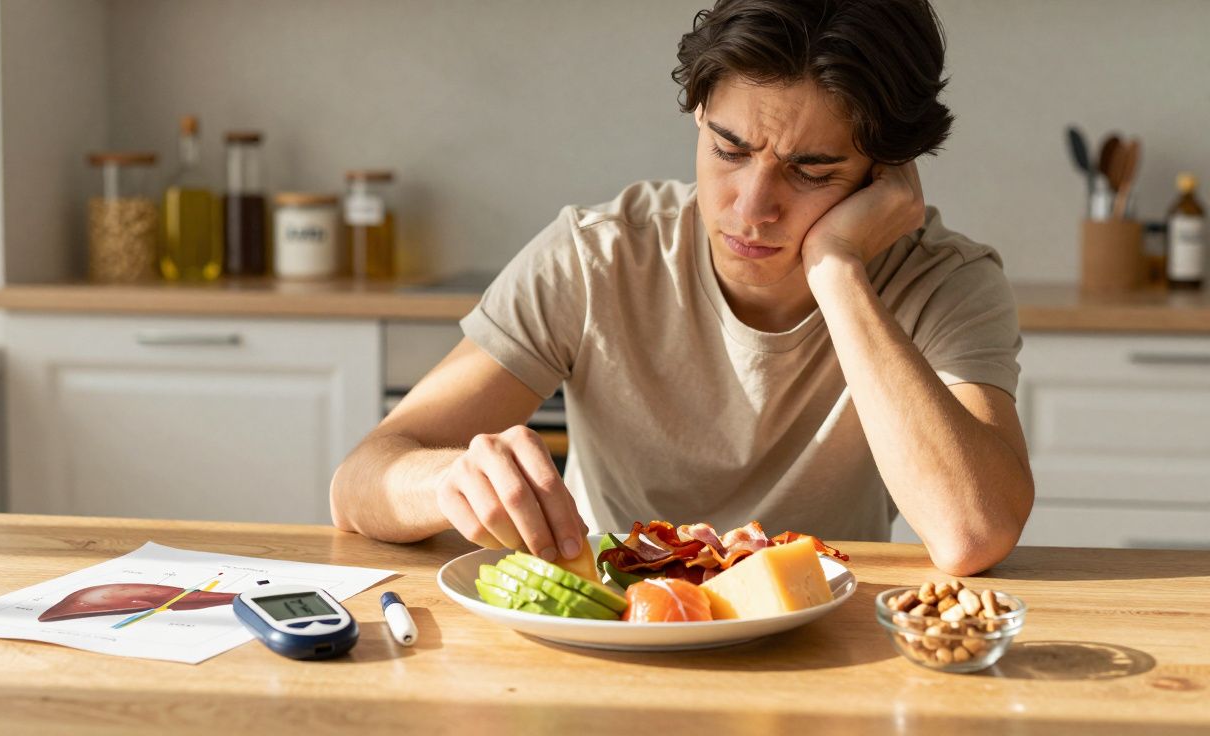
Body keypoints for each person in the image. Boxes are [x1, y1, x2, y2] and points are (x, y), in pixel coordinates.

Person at [330, 0, 1034, 576]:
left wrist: (837, 268)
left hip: (829, 648)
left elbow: (971, 532)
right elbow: (360, 481)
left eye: (812, 172)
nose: (751, 206)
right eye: (730, 150)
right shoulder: (597, 256)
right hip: (615, 633)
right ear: (698, 114)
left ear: (886, 174)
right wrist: (449, 480)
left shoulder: (944, 280)